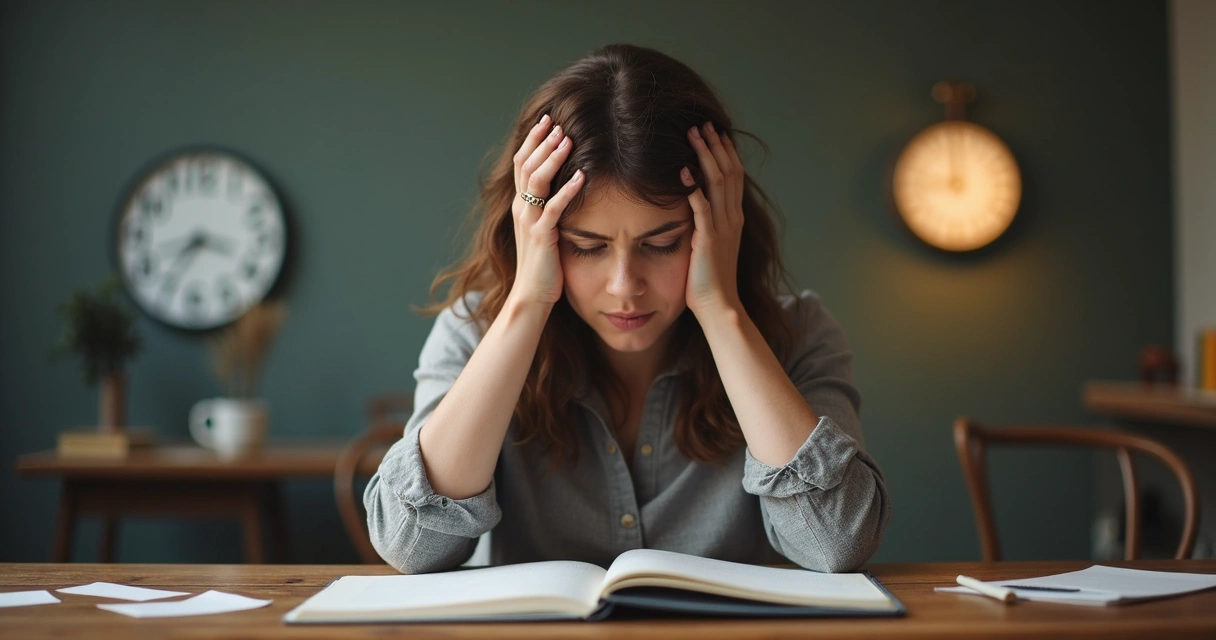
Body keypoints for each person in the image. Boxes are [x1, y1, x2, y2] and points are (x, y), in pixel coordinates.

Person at [364, 43, 890, 574]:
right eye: (586, 247)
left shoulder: (798, 333)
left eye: (661, 244)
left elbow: (835, 543)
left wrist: (720, 309)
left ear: (722, 224)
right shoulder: (474, 332)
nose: (624, 286)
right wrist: (526, 301)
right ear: (538, 237)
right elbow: (412, 546)